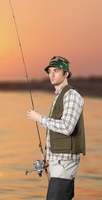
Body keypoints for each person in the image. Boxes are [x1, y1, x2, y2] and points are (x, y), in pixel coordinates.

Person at [26, 56, 86, 200]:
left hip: (65, 162)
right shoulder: (59, 96)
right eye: (50, 71)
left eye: (56, 71)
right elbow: (56, 129)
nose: (51, 75)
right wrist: (49, 157)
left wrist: (40, 118)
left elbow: (66, 127)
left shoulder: (71, 95)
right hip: (57, 161)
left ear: (66, 74)